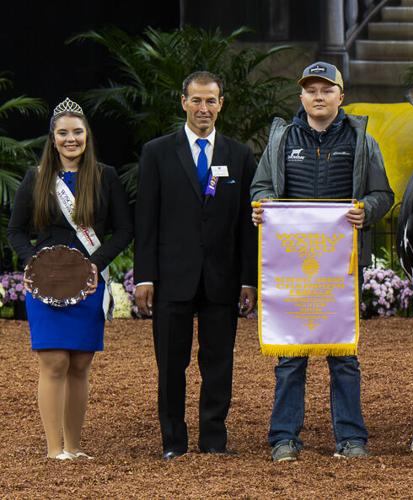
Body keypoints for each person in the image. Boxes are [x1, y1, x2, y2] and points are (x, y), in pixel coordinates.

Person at [249, 62, 394, 462]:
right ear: (301, 97)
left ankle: (351, 438)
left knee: (343, 355)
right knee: (290, 357)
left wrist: (368, 210)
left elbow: (383, 193)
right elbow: (260, 187)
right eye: (311, 90)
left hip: (339, 268)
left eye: (326, 90)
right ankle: (283, 438)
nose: (318, 96)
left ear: (340, 96)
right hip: (291, 267)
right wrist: (260, 207)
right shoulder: (281, 139)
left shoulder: (361, 140)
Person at [134, 71, 256, 460]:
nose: (204, 108)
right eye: (197, 100)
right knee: (172, 364)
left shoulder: (239, 155)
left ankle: (214, 440)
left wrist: (248, 280)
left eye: (211, 101)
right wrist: (145, 277)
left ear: (222, 104)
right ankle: (173, 441)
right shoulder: (157, 152)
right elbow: (146, 220)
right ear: (183, 102)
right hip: (172, 278)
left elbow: (246, 224)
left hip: (222, 278)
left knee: (218, 364)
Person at [6, 98, 132, 460]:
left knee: (79, 363)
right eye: (63, 133)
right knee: (54, 361)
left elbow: (124, 230)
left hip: (89, 281)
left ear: (87, 136)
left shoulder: (105, 177)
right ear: (53, 137)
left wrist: (96, 264)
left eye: (77, 132)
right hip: (45, 282)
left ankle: (74, 447)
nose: (71, 139)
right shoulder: (36, 178)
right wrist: (33, 263)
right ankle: (54, 449)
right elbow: (16, 231)